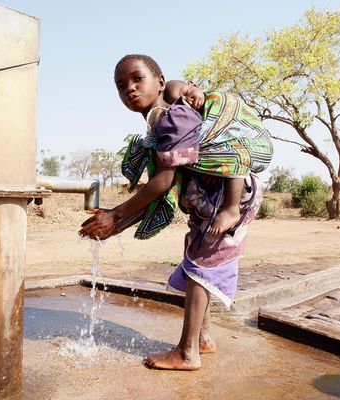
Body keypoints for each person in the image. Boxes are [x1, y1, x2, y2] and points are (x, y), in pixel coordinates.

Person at [79, 54, 266, 371]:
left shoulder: (171, 116)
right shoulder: (158, 126)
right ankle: (202, 339)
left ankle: (187, 352)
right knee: (196, 263)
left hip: (226, 198)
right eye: (122, 86)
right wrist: (118, 224)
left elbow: (162, 181)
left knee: (202, 267)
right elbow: (161, 190)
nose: (131, 89)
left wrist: (115, 214)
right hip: (207, 200)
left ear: (160, 82)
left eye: (138, 79)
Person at [163, 80, 245, 235]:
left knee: (236, 155)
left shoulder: (217, 99)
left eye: (187, 92)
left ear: (192, 84)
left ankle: (232, 209)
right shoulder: (193, 120)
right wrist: (210, 169)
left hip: (247, 147)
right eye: (183, 103)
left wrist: (213, 160)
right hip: (217, 169)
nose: (189, 100)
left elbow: (212, 139)